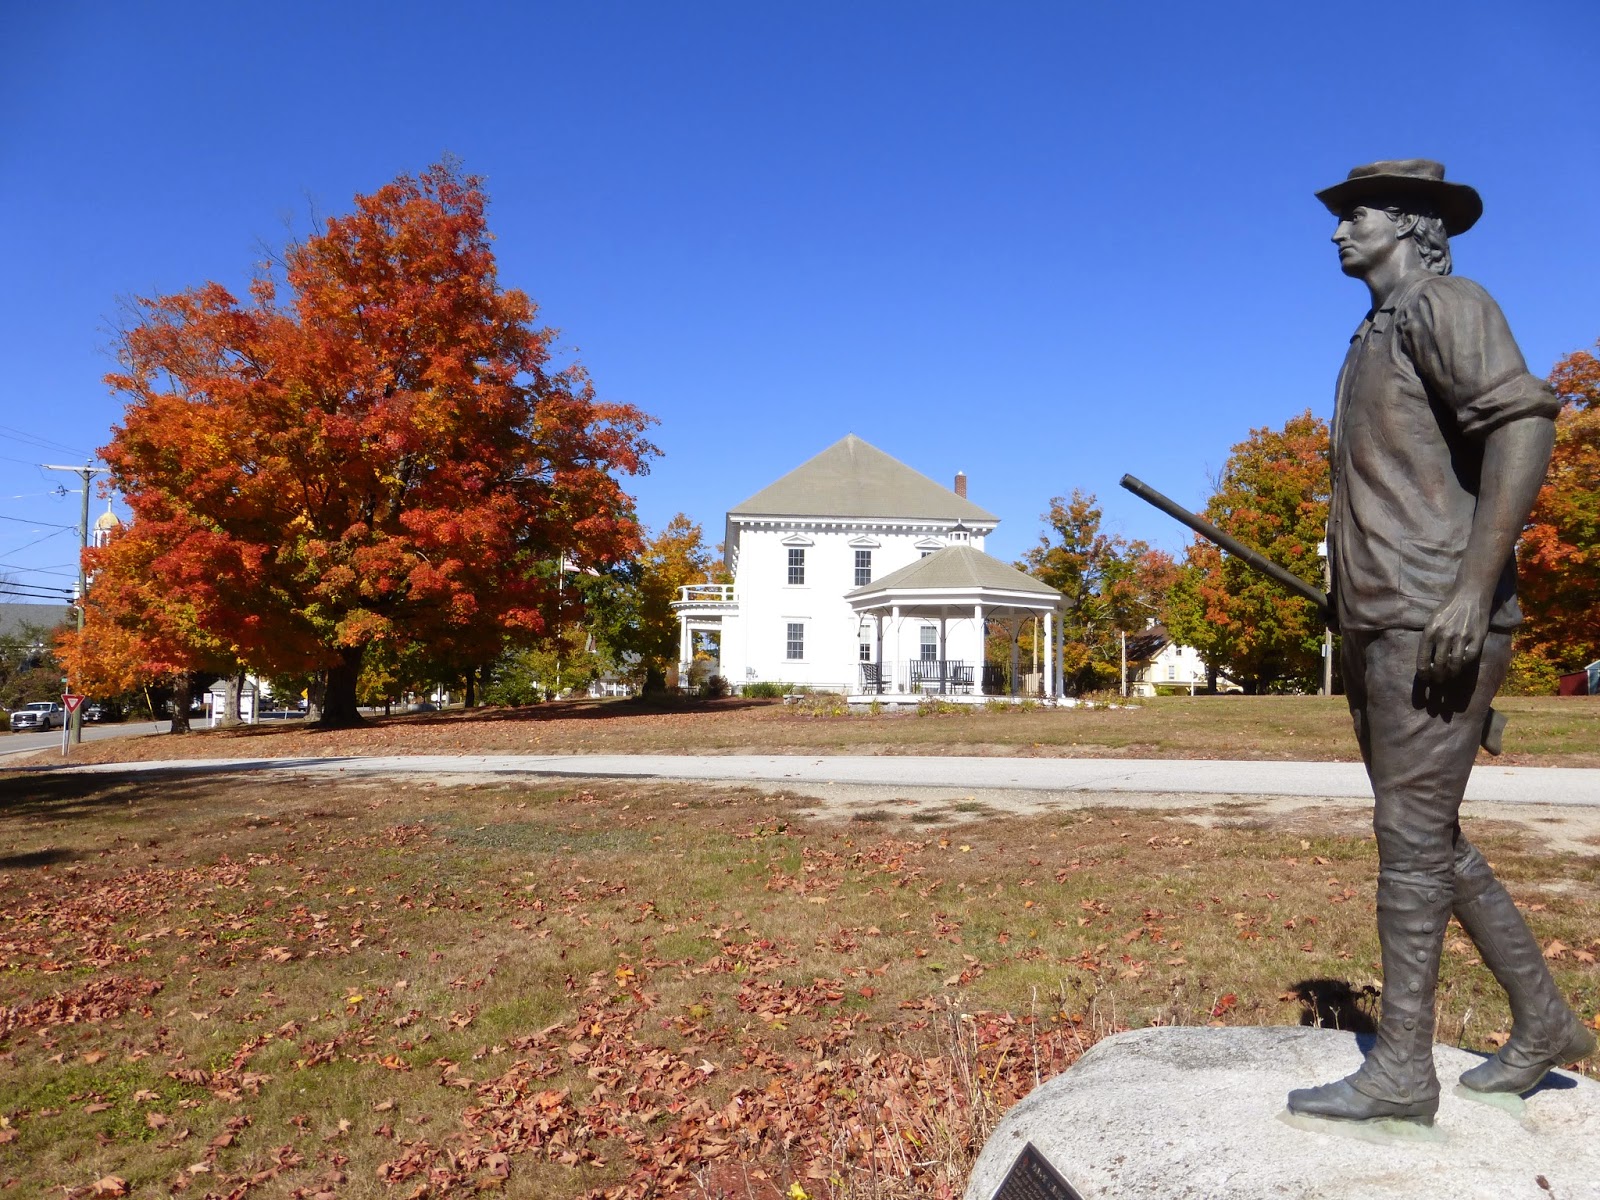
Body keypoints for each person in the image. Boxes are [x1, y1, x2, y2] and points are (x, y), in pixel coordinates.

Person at [1286, 160, 1594, 1124]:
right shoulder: (1371, 333)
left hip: (1433, 618)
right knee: (1429, 838)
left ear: (1412, 225)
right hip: (1386, 619)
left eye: (1358, 214)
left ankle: (1402, 1071)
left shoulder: (1443, 304)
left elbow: (1524, 429)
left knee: (1410, 840)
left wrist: (1470, 593)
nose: (1338, 230)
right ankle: (1544, 1021)